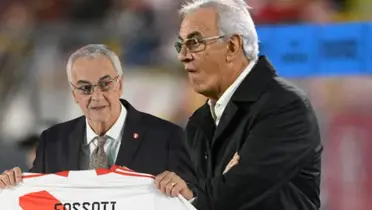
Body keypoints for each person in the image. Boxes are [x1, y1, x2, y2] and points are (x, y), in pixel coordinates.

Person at [155, 0, 323, 209]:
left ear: (232, 46)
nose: (183, 56)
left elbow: (234, 197)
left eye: (195, 42)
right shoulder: (199, 123)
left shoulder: (284, 106)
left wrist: (195, 194)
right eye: (181, 45)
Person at [0, 44, 196, 190]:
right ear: (74, 94)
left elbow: (196, 196)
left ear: (120, 84)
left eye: (105, 84)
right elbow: (36, 198)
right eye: (85, 88)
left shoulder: (166, 137)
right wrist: (12, 186)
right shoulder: (53, 142)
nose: (96, 96)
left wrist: (184, 191)